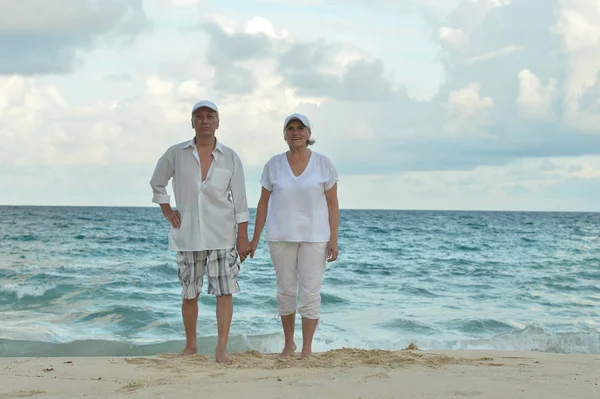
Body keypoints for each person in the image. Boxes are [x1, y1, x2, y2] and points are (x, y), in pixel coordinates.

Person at [149, 100, 251, 364]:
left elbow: (240, 200)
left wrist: (243, 237)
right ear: (192, 121)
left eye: (210, 116)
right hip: (188, 234)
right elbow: (157, 183)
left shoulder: (230, 157)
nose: (204, 120)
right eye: (199, 116)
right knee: (189, 291)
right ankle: (191, 346)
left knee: (224, 291)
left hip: (222, 234)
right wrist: (167, 211)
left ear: (218, 122)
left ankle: (221, 350)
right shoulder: (176, 153)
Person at [249, 112, 339, 359]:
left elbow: (333, 204)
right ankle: (289, 345)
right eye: (290, 128)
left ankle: (307, 349)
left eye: (300, 128)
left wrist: (334, 239)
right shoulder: (273, 165)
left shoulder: (324, 164)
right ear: (284, 134)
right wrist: (254, 238)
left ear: (309, 134)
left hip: (315, 237)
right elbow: (263, 204)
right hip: (280, 236)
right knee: (286, 291)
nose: (295, 132)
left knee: (310, 292)